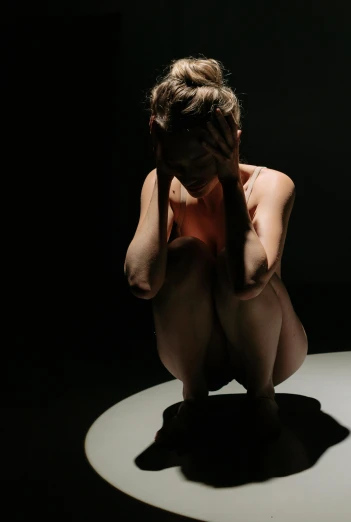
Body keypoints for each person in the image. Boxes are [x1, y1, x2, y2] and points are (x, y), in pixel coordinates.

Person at [124, 57, 308, 446]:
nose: (189, 174)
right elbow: (142, 283)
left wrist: (228, 178)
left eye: (203, 160)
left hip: (270, 353)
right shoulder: (164, 182)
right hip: (199, 353)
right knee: (187, 253)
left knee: (231, 259)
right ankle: (195, 396)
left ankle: (262, 397)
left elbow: (247, 283)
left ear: (233, 143)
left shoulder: (271, 186)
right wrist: (160, 175)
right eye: (177, 160)